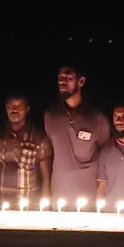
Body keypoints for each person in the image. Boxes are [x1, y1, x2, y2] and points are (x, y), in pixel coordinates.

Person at [44, 65, 110, 208]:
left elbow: (106, 155)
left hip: (89, 200)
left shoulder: (97, 118)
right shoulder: (50, 116)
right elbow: (51, 152)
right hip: (59, 198)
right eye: (60, 78)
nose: (62, 81)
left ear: (81, 82)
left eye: (68, 77)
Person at [0, 94, 52, 206]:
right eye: (11, 106)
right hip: (0, 203)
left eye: (19, 106)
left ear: (27, 110)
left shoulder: (39, 138)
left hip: (27, 204)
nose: (14, 109)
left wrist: (46, 207)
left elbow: (46, 178)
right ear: (6, 108)